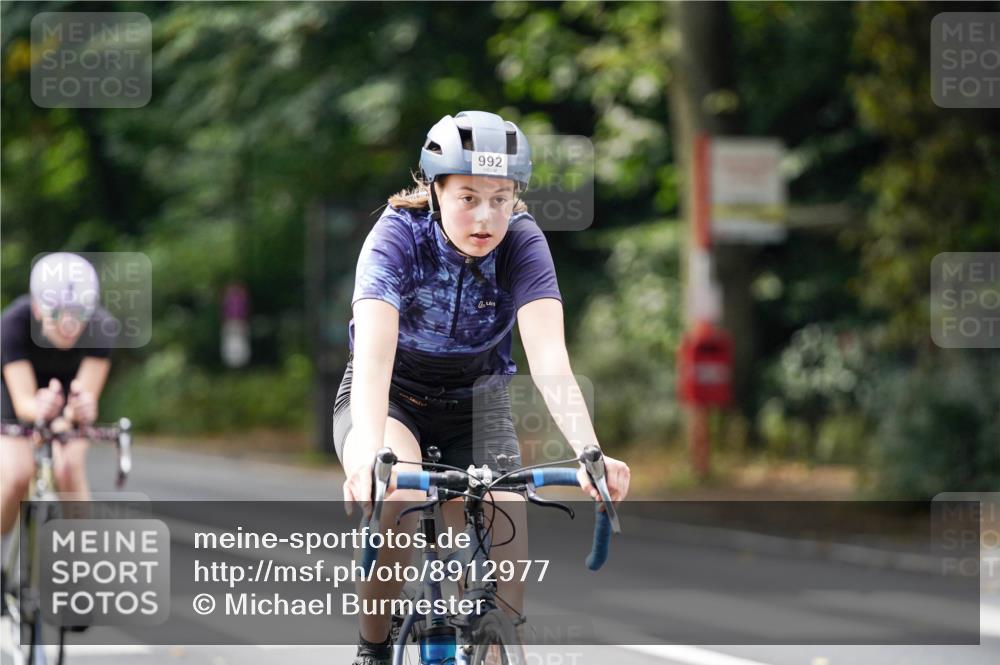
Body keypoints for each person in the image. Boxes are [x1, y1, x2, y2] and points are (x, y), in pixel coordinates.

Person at [334, 111, 630, 664]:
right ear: (434, 189)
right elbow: (373, 361)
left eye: (501, 198)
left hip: (478, 402)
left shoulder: (523, 243)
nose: (485, 216)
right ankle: (371, 650)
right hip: (393, 399)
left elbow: (550, 360)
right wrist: (370, 455)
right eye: (468, 196)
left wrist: (590, 451)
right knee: (401, 495)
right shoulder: (396, 237)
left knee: (506, 567)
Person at [0, 253, 115, 537]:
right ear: (38, 308)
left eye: (80, 313)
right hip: (17, 390)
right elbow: (24, 403)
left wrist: (77, 411)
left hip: (66, 392)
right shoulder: (12, 324)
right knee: (17, 474)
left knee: (68, 467)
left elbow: (85, 397)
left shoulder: (102, 327)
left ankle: (81, 564)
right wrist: (40, 410)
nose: (69, 324)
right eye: (56, 312)